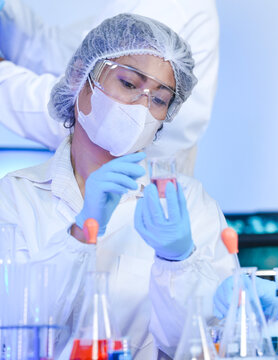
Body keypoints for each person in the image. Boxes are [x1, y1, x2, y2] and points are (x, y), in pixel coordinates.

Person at [0, 13, 234, 359]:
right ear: (82, 76)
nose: (142, 106)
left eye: (158, 99)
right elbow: (15, 335)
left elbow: (208, 347)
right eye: (128, 83)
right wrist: (80, 234)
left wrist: (178, 261)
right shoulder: (15, 197)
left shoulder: (188, 204)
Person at [0, 0, 219, 175]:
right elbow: (59, 53)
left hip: (128, 191)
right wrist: (5, 14)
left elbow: (94, 119)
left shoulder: (162, 7)